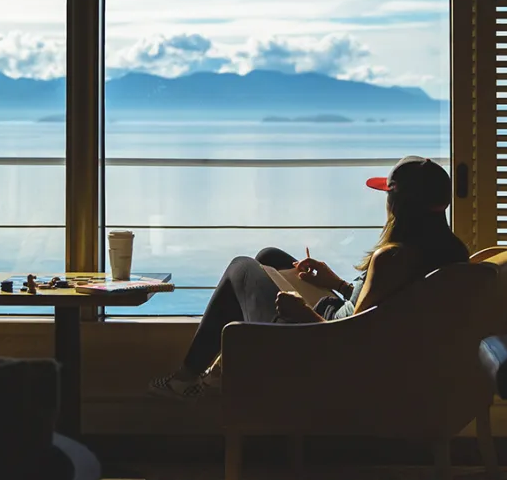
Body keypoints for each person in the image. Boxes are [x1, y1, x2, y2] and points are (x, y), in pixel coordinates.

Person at [148, 156, 470, 400]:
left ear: (397, 202)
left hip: (319, 346)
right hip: (334, 325)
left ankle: (185, 380)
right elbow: (377, 311)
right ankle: (215, 377)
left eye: (387, 194)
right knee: (270, 257)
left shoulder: (394, 257)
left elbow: (351, 340)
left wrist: (302, 312)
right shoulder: (448, 252)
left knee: (240, 268)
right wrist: (336, 283)